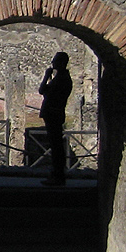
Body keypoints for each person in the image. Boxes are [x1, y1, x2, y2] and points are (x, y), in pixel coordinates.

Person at [38, 51, 72, 186]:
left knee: (56, 146)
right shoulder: (60, 78)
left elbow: (42, 91)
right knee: (55, 146)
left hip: (54, 114)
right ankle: (57, 175)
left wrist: (46, 76)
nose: (53, 63)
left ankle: (58, 176)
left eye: (55, 61)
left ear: (62, 63)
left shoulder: (62, 79)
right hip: (54, 114)